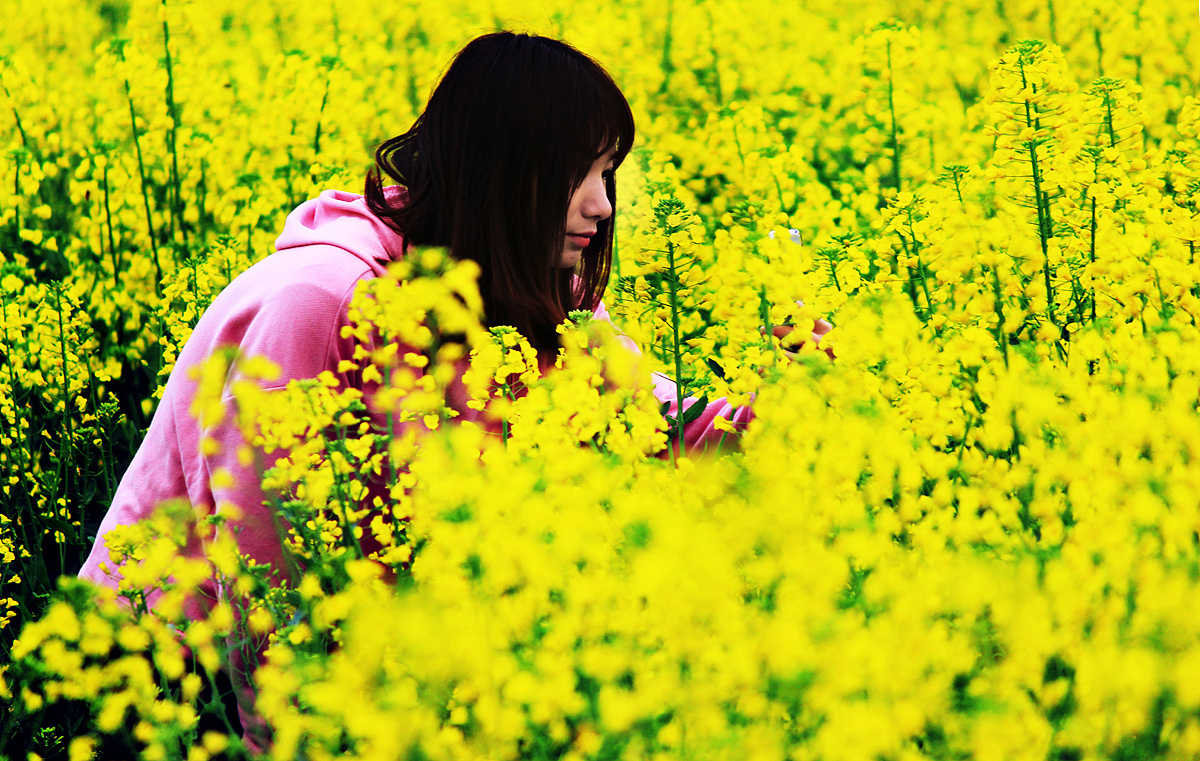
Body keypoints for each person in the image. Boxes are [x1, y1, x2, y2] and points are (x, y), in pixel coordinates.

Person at [78, 31, 827, 751]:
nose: (602, 206)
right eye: (581, 173)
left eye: (608, 174)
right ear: (504, 169)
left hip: (379, 667)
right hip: (172, 678)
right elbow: (266, 566)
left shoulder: (533, 295)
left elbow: (662, 426)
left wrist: (802, 393)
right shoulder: (322, 296)